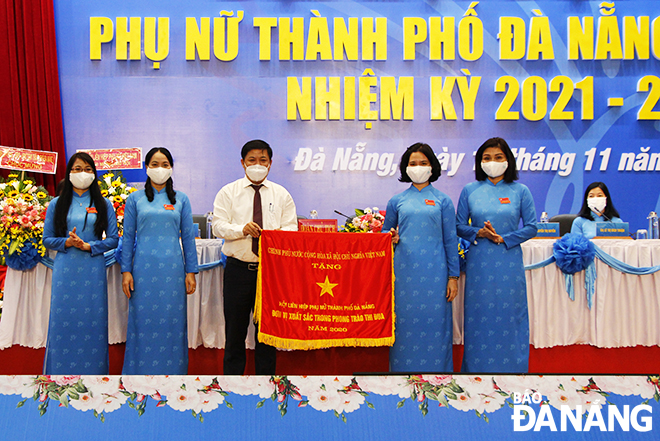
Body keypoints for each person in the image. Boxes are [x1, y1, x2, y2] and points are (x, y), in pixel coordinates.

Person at [213, 139, 297, 375]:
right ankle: (231, 387)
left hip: (270, 273)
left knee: (267, 336)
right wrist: (241, 229)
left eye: (263, 160)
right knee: (234, 335)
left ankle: (267, 387)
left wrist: (274, 236)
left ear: (270, 164)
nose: (257, 165)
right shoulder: (228, 192)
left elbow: (291, 229)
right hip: (237, 270)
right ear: (242, 163)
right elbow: (218, 226)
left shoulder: (281, 194)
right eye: (252, 160)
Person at [456, 137, 537, 373]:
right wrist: (478, 232)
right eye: (487, 158)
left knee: (510, 315)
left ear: (508, 161)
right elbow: (459, 225)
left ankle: (515, 370)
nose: (492, 162)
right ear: (480, 162)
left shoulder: (520, 190)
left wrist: (505, 238)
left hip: (508, 259)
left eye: (498, 157)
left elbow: (532, 227)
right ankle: (475, 373)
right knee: (479, 317)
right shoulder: (469, 190)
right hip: (479, 261)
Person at [383, 143, 460, 372]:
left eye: (423, 163)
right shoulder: (396, 201)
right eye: (413, 163)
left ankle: (440, 379)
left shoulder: (443, 200)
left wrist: (453, 276)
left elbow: (450, 240)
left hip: (436, 275)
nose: (418, 167)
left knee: (436, 326)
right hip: (403, 275)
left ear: (432, 166)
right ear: (405, 168)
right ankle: (401, 378)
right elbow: (383, 235)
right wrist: (391, 237)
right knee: (404, 328)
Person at [121, 147, 198, 374]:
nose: (160, 169)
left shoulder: (181, 199)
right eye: (154, 164)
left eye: (165, 164)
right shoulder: (134, 199)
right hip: (142, 271)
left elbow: (188, 237)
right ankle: (138, 374)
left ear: (171, 168)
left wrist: (190, 271)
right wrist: (126, 270)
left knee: (172, 324)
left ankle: (174, 374)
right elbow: (127, 237)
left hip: (173, 272)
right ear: (146, 168)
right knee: (142, 323)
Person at [42, 152, 118, 374]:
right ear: (68, 173)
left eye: (87, 169)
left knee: (92, 322)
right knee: (63, 322)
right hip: (65, 270)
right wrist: (67, 242)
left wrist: (89, 246)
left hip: (92, 269)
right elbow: (47, 239)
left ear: (94, 174)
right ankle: (58, 376)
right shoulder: (56, 204)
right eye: (76, 169)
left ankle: (95, 377)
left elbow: (114, 239)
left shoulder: (104, 204)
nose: (81, 173)